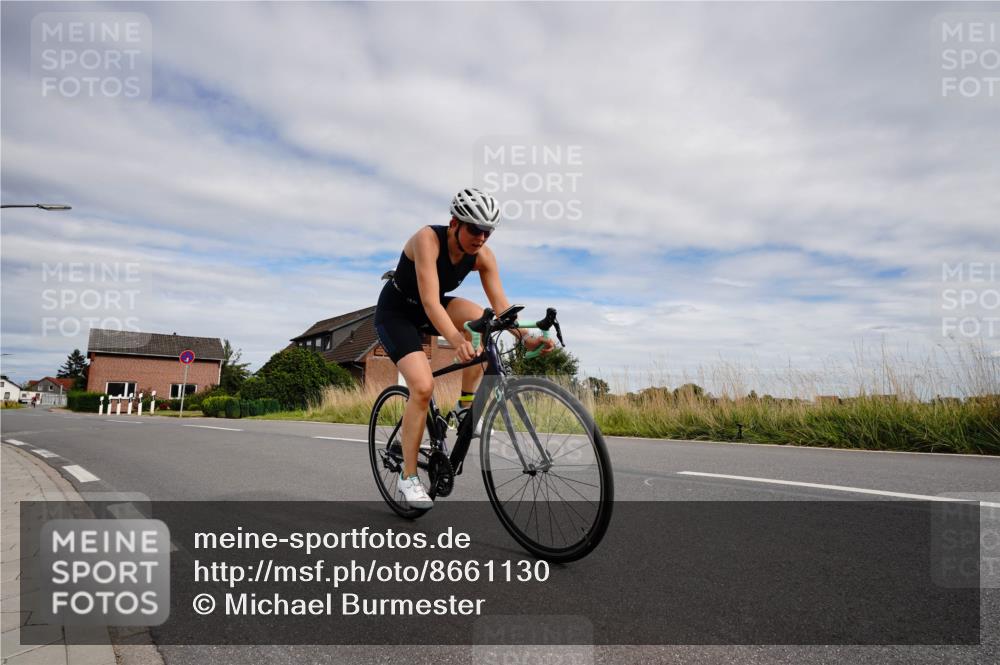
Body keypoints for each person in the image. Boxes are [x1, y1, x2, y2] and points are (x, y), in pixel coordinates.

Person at [374, 188, 555, 509]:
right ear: (454, 223)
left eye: (488, 232)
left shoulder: (482, 255)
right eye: (474, 229)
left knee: (481, 321)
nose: (481, 238)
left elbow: (501, 308)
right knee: (422, 387)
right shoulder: (427, 240)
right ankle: (409, 477)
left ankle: (465, 405)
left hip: (433, 309)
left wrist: (525, 337)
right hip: (397, 312)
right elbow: (430, 303)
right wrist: (457, 341)